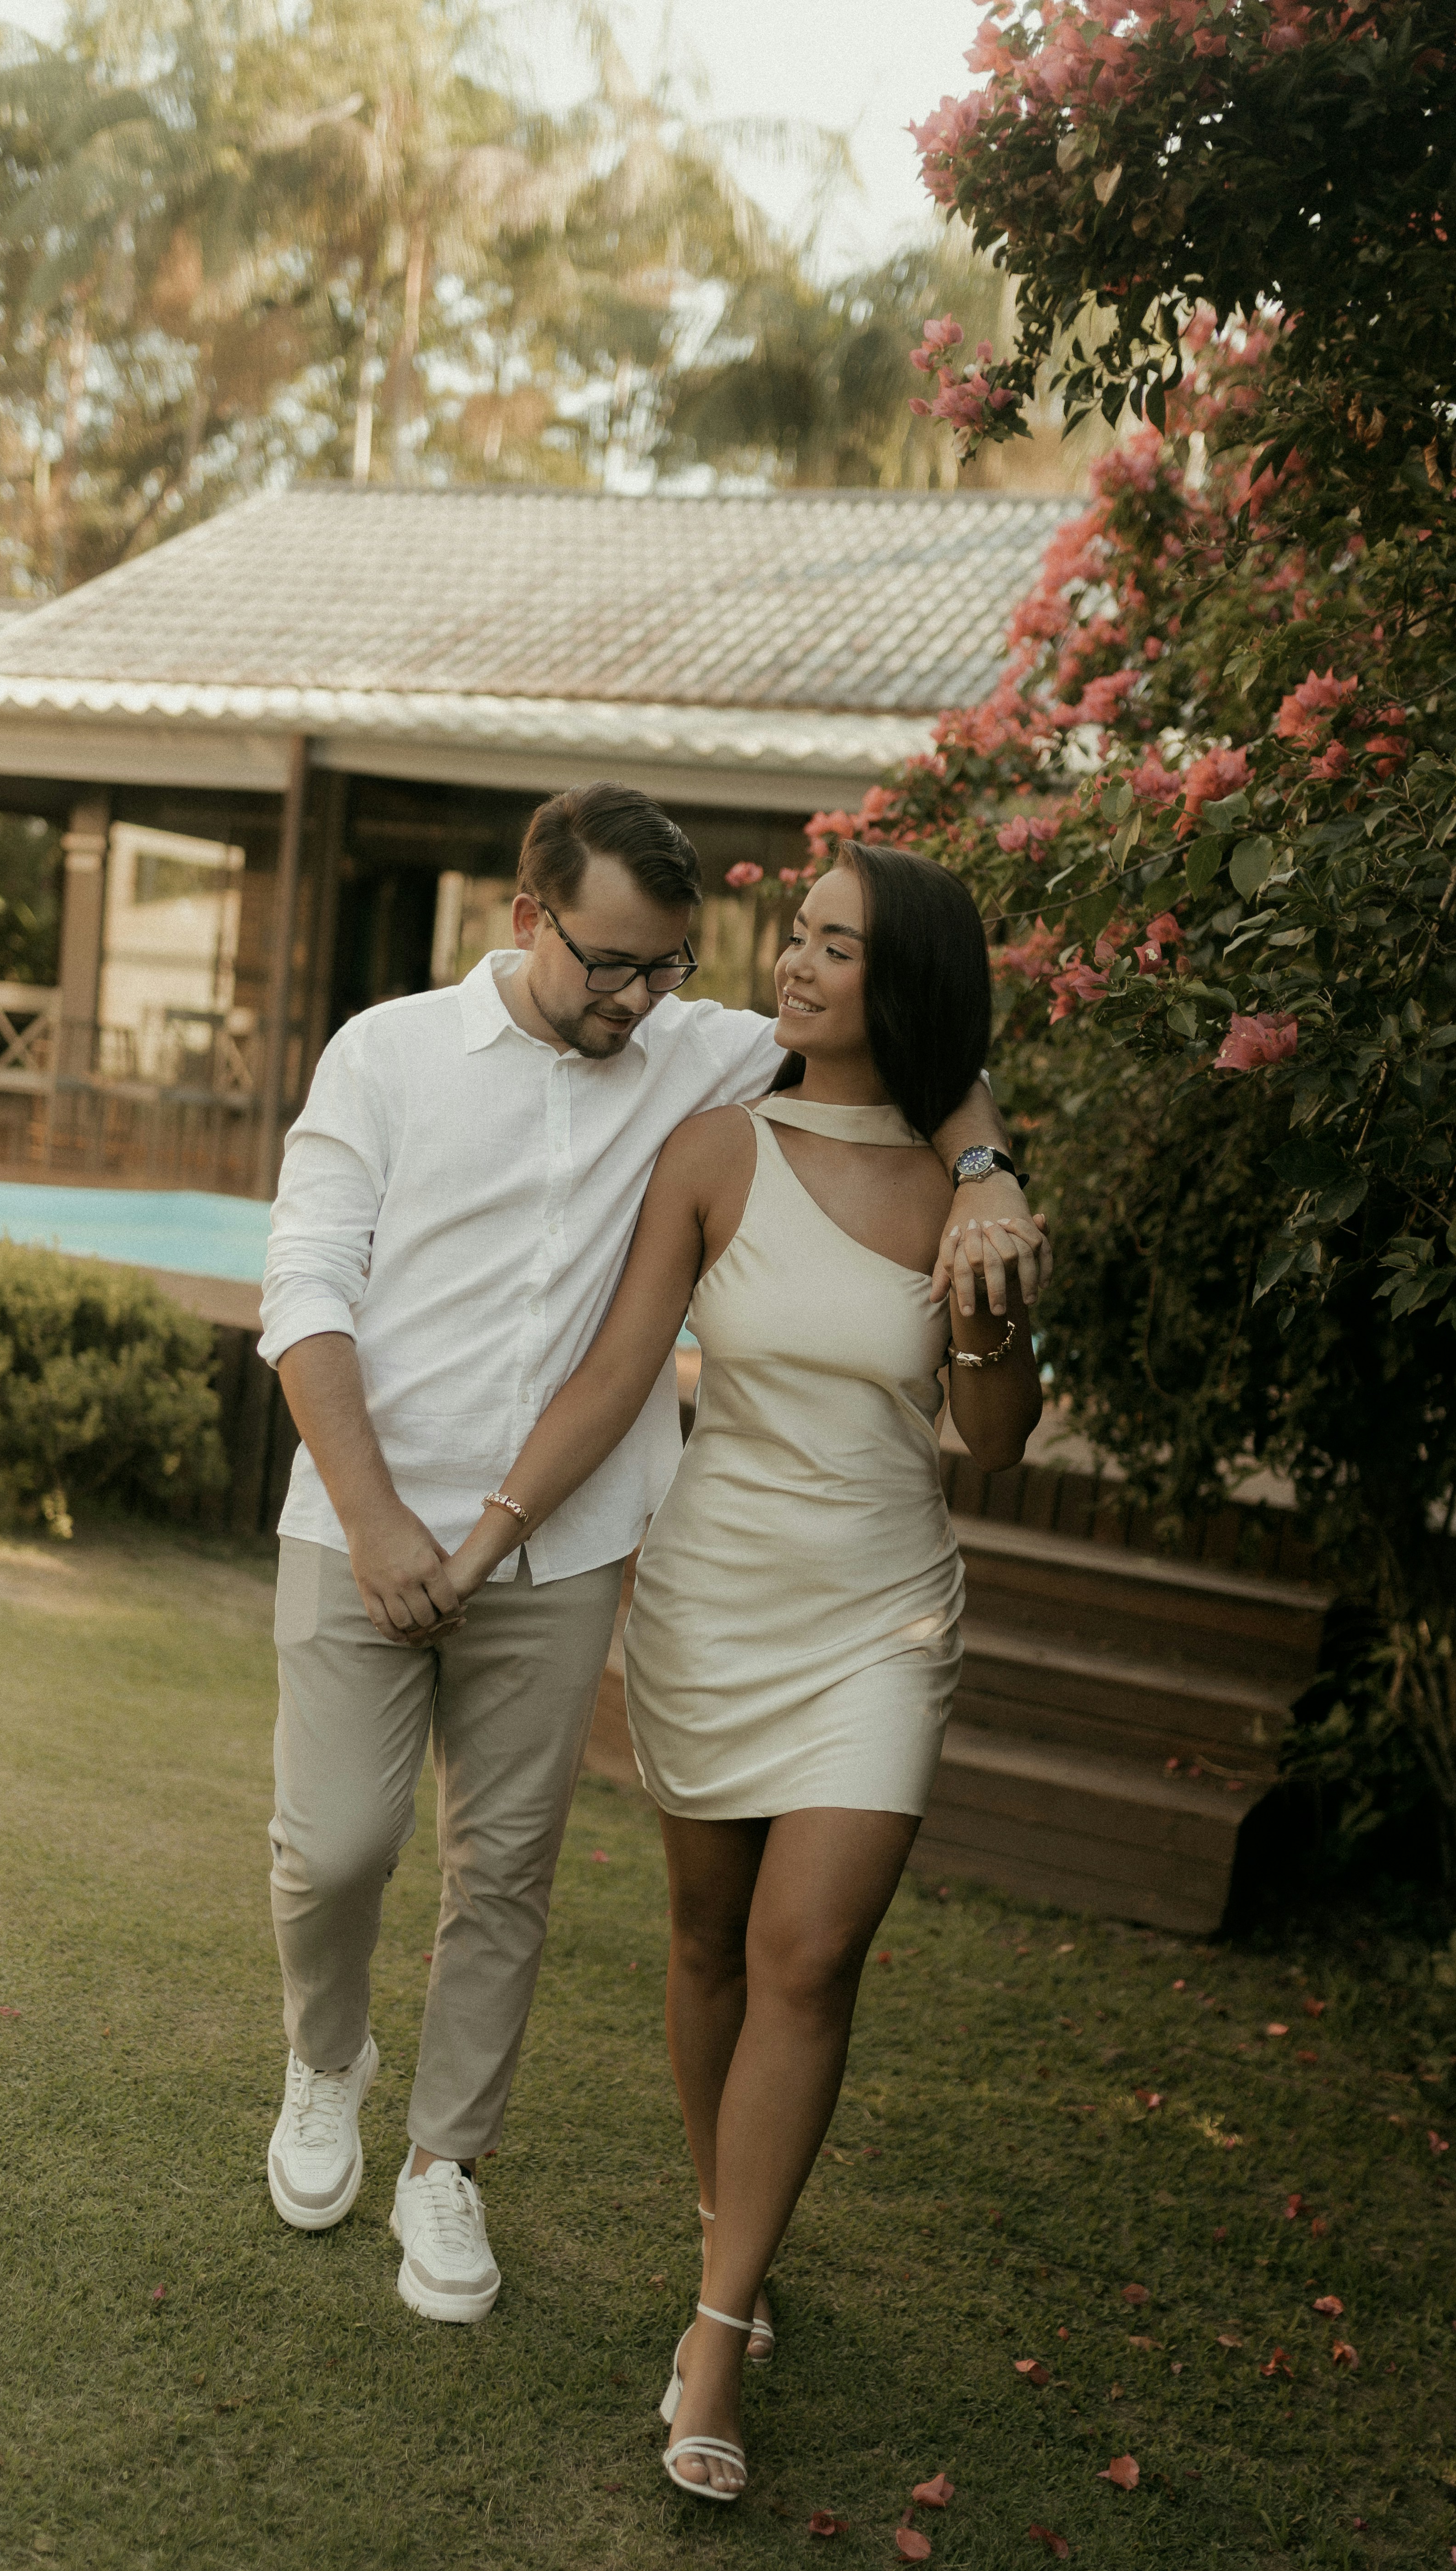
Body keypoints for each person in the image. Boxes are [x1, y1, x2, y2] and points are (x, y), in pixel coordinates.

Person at [258, 785, 1048, 2329]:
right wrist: (376, 1520)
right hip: (360, 1520)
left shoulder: (700, 1051)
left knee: (506, 1873)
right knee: (333, 1852)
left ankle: (445, 2162)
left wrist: (988, 1170)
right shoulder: (389, 1054)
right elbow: (303, 1291)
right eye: (607, 964)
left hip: (564, 1548)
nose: (636, 998)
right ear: (525, 918)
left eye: (667, 968)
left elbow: (928, 1048)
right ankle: (322, 2056)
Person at [439, 840, 1043, 2494]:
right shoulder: (715, 1151)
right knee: (709, 1943)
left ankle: (713, 2343)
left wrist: (992, 1292)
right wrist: (487, 1541)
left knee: (806, 1953)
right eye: (798, 937)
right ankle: (738, 2236)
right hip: (713, 1602)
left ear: (897, 985)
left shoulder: (964, 1186)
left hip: (881, 1619)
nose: (794, 966)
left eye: (837, 949)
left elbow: (989, 1440)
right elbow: (623, 1368)